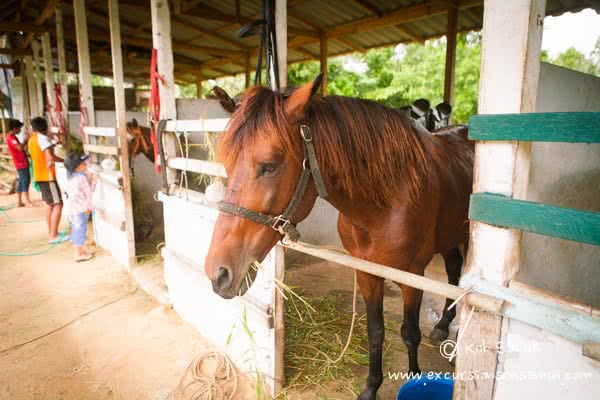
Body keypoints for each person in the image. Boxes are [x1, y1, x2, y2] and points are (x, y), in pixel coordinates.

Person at [28, 117, 68, 244]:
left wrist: (54, 143)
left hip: (39, 175)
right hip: (48, 176)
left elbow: (43, 151)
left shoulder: (32, 139)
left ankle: (51, 231)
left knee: (49, 204)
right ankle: (54, 236)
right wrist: (65, 161)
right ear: (44, 127)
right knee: (58, 204)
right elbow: (50, 157)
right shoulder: (42, 139)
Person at [64, 152, 95, 262]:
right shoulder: (82, 179)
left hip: (73, 209)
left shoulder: (73, 177)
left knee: (77, 229)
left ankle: (80, 251)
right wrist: (94, 181)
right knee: (80, 230)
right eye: (83, 163)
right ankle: (78, 254)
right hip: (81, 208)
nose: (86, 164)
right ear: (78, 167)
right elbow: (89, 193)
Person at [5, 119, 33, 207]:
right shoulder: (11, 138)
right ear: (14, 128)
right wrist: (26, 140)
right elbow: (20, 148)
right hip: (21, 163)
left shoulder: (13, 137)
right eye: (19, 128)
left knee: (21, 181)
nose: (20, 130)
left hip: (21, 162)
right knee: (25, 180)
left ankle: (19, 202)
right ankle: (27, 201)